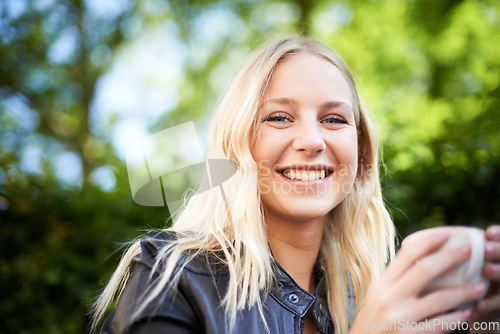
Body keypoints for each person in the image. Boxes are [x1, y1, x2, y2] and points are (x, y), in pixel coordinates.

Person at [91, 37, 500, 334]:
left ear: (360, 153)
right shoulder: (170, 278)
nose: (312, 140)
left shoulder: (369, 303)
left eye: (334, 119)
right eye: (279, 118)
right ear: (238, 145)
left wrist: (481, 324)